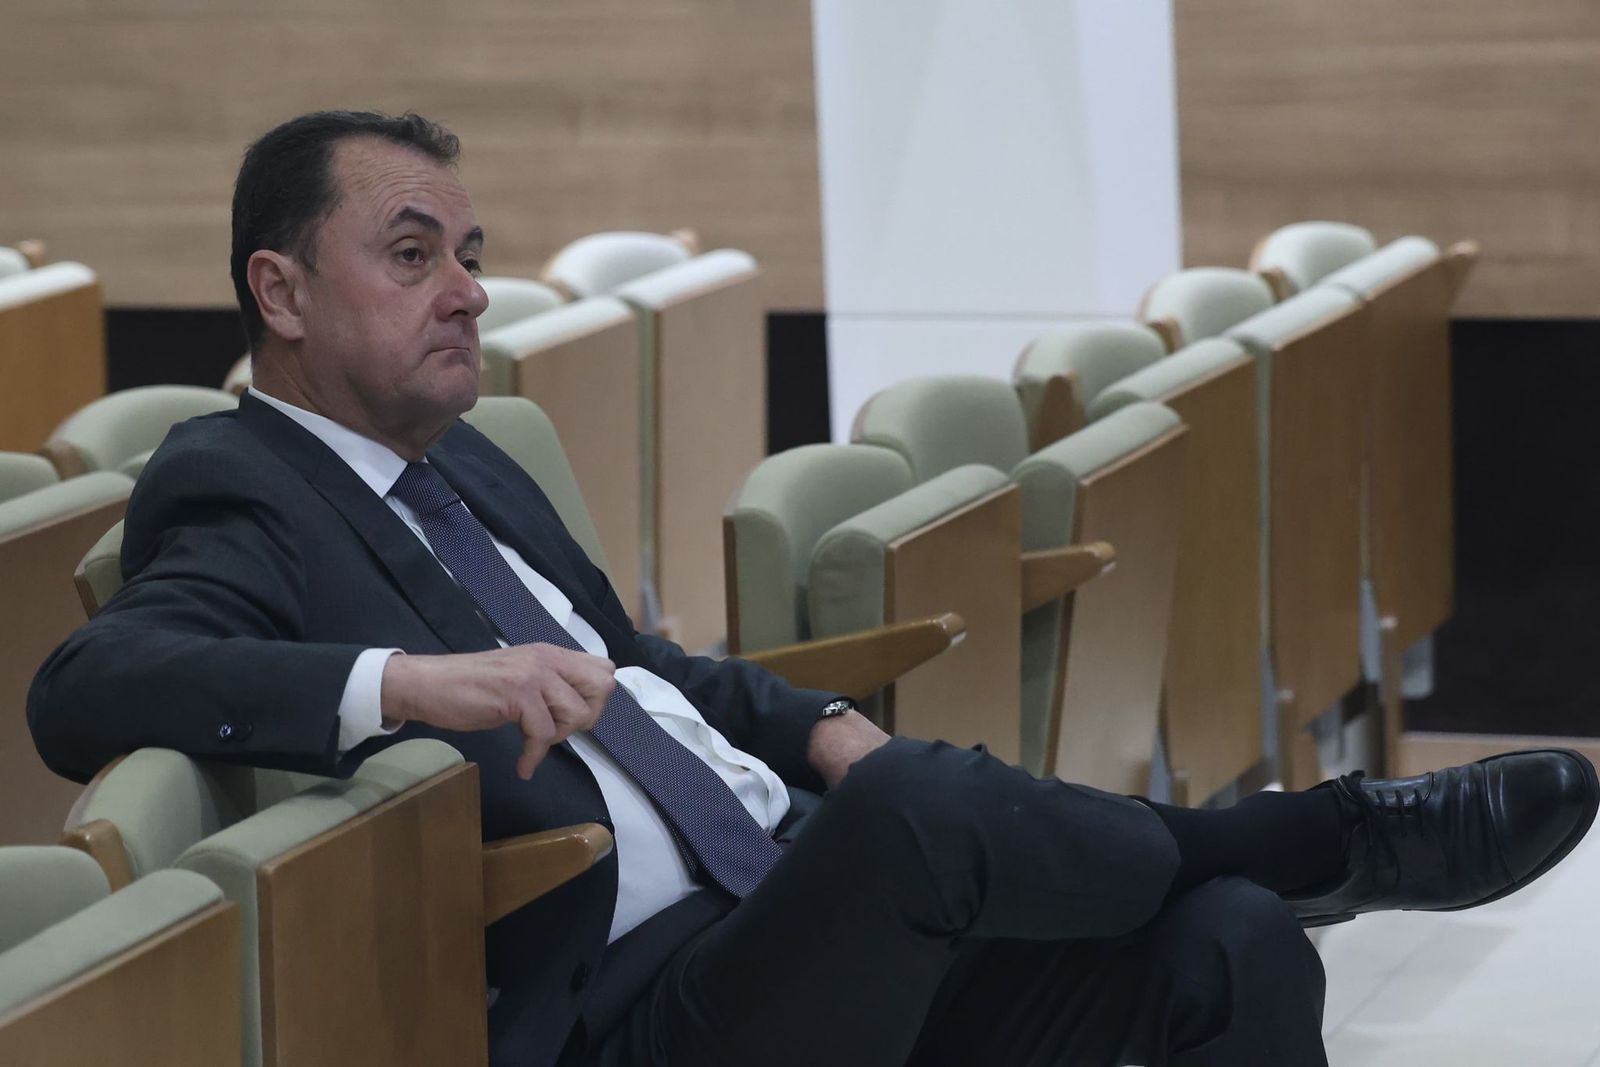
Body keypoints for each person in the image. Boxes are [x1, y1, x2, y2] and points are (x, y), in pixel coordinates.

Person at [28, 110, 1599, 1067]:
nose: (469, 291)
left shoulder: (480, 463)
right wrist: (416, 686)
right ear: (278, 292)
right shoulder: (237, 482)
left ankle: (1272, 860)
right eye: (414, 252)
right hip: (643, 1011)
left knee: (1238, 939)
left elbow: (647, 670)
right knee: (922, 817)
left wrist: (822, 722)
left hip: (796, 915)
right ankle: (1321, 829)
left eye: (473, 252)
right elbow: (86, 686)